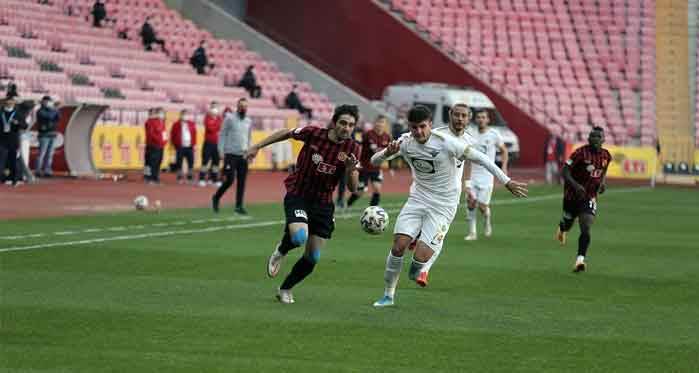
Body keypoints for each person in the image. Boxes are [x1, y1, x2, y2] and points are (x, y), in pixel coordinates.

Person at [370, 105, 527, 307]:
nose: (418, 131)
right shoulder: (405, 142)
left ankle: (418, 267)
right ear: (409, 127)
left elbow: (482, 159)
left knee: (419, 261)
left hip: (443, 205)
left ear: (430, 125)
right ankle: (388, 295)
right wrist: (385, 154)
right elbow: (374, 161)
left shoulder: (446, 143)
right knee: (398, 245)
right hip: (417, 199)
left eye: (422, 127)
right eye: (414, 127)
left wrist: (506, 181)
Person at [246, 104, 361, 304]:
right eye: (343, 123)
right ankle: (281, 250)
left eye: (351, 125)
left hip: (324, 203)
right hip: (299, 193)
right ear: (334, 123)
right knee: (300, 236)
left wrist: (351, 170)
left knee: (313, 257)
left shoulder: (353, 148)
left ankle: (285, 288)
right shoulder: (314, 133)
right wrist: (258, 146)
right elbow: (286, 133)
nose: (346, 128)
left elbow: (353, 188)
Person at [415, 103, 474, 287]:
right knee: (423, 231)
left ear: (468, 118)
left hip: (449, 197)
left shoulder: (469, 141)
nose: (460, 119)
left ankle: (424, 270)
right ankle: (416, 238)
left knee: (439, 234)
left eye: (463, 115)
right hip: (425, 192)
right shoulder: (436, 135)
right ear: (450, 114)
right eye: (456, 114)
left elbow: (468, 163)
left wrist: (468, 186)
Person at [556, 127, 611, 272]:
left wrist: (602, 183)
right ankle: (562, 229)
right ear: (588, 139)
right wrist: (575, 185)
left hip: (589, 196)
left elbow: (603, 171)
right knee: (567, 222)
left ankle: (580, 260)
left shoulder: (606, 156)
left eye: (598, 136)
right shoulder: (580, 153)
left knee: (585, 226)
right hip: (571, 196)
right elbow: (565, 171)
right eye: (592, 136)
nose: (595, 138)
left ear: (603, 139)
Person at [464, 109, 509, 241]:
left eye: (483, 117)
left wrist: (504, 167)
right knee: (471, 203)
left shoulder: (494, 134)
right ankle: (472, 233)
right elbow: (466, 158)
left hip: (487, 177)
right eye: (478, 117)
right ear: (475, 119)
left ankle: (487, 219)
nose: (481, 119)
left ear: (488, 120)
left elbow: (504, 151)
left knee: (483, 207)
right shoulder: (470, 134)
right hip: (472, 175)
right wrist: (466, 182)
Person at [212, 98, 252, 214]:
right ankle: (216, 197)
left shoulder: (248, 121)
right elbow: (222, 134)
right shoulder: (229, 118)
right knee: (229, 179)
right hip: (231, 154)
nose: (243, 108)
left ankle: (238, 206)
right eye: (241, 106)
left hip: (243, 154)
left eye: (245, 106)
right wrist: (220, 150)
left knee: (242, 181)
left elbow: (248, 138)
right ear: (237, 107)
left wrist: (249, 152)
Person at [347, 115, 392, 207]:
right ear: (374, 123)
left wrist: (390, 167)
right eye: (378, 122)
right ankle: (348, 204)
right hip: (364, 167)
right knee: (361, 191)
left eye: (382, 122)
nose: (380, 124)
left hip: (376, 168)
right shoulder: (367, 134)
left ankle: (373, 209)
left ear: (385, 124)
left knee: (377, 189)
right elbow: (359, 146)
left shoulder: (387, 137)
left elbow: (389, 152)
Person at [0, 97, 28, 186]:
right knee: (1, 159)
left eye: (11, 102)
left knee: (13, 159)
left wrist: (17, 123)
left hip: (13, 139)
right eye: (7, 102)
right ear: (5, 102)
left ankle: (14, 179)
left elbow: (25, 126)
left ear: (14, 103)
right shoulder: (1, 112)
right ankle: (2, 178)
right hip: (2, 139)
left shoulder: (18, 114)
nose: (9, 103)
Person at [34, 96, 60, 178]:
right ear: (43, 102)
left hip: (52, 133)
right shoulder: (40, 111)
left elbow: (58, 117)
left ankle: (47, 170)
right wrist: (54, 108)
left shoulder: (53, 110)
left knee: (50, 154)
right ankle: (38, 170)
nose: (47, 103)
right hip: (44, 134)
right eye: (46, 101)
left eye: (48, 101)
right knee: (42, 153)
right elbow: (49, 116)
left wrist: (56, 109)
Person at [198, 102, 223, 186]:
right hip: (208, 143)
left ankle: (214, 179)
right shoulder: (207, 118)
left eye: (216, 107)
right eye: (213, 107)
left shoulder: (219, 118)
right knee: (205, 161)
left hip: (217, 144)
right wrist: (218, 126)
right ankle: (201, 179)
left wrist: (217, 125)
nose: (214, 109)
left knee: (216, 162)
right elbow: (210, 128)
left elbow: (221, 127)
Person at [170, 109, 196, 183]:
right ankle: (180, 177)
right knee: (179, 162)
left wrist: (193, 144)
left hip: (189, 146)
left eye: (186, 115)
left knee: (191, 162)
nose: (185, 116)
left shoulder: (191, 124)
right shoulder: (176, 124)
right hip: (180, 146)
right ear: (180, 115)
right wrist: (175, 144)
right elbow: (173, 135)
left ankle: (190, 177)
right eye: (183, 115)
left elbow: (194, 134)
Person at [144, 107, 167, 183]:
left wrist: (164, 142)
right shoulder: (150, 122)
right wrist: (158, 141)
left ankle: (155, 177)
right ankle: (148, 176)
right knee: (149, 162)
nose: (162, 115)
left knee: (158, 162)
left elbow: (164, 134)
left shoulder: (162, 122)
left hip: (160, 146)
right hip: (152, 145)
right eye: (161, 113)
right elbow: (151, 134)